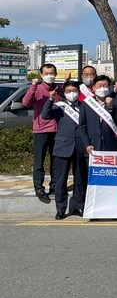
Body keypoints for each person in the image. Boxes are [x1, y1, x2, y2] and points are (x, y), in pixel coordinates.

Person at [41, 80, 84, 219]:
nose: (72, 93)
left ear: (79, 91)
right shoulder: (60, 106)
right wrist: (51, 99)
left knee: (80, 179)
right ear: (64, 93)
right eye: (68, 91)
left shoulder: (84, 106)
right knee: (61, 180)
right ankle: (61, 209)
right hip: (62, 146)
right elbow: (45, 115)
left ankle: (78, 207)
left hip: (80, 147)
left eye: (74, 90)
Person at [22, 63, 59, 201]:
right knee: (39, 161)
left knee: (56, 160)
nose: (49, 75)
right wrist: (33, 86)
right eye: (46, 73)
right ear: (41, 75)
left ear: (56, 74)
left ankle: (55, 186)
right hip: (41, 130)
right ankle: (39, 187)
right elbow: (26, 103)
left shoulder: (59, 89)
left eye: (52, 73)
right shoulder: (36, 88)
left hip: (57, 130)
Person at [78, 75, 117, 156]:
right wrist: (87, 144)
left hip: (112, 145)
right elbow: (82, 125)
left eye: (105, 86)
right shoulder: (86, 103)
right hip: (92, 145)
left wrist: (111, 108)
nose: (102, 88)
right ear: (94, 88)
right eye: (99, 86)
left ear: (109, 87)